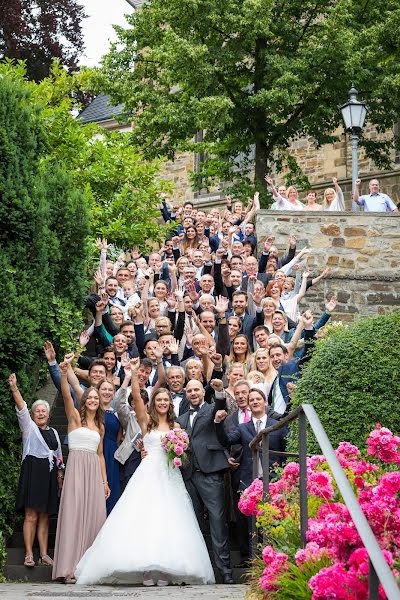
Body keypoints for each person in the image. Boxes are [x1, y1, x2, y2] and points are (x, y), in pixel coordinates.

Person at [75, 359, 215, 586]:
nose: (161, 403)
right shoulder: (145, 422)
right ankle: (148, 570)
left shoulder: (177, 427)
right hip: (148, 475)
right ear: (154, 403)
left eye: (165, 400)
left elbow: (182, 454)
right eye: (158, 400)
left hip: (170, 476)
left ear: (170, 404)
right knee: (146, 517)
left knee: (170, 520)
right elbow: (138, 398)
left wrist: (177, 455)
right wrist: (132, 375)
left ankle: (167, 570)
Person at [52, 362, 109, 584]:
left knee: (94, 518)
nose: (93, 400)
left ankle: (88, 568)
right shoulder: (75, 418)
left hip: (94, 472)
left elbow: (101, 455)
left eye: (96, 398)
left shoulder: (101, 427)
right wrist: (64, 375)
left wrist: (104, 482)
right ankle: (68, 568)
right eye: (90, 398)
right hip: (76, 470)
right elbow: (66, 396)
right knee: (74, 516)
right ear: (84, 401)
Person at [177, 378, 233, 584]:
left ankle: (225, 570)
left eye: (196, 390)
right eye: (189, 390)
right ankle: (200, 569)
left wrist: (219, 392)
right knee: (194, 524)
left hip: (210, 472)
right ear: (186, 393)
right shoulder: (181, 419)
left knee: (218, 522)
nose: (193, 393)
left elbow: (221, 404)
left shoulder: (211, 410)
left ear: (203, 392)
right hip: (188, 474)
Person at [10, 373, 63, 568]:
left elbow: (58, 457)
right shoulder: (29, 428)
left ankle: (43, 554)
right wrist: (15, 388)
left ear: (49, 414)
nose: (41, 413)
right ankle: (29, 554)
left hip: (49, 476)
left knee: (44, 516)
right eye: (37, 411)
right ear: (33, 415)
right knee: (31, 515)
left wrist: (60, 474)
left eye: (44, 411)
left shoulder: (54, 432)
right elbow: (22, 408)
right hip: (33, 473)